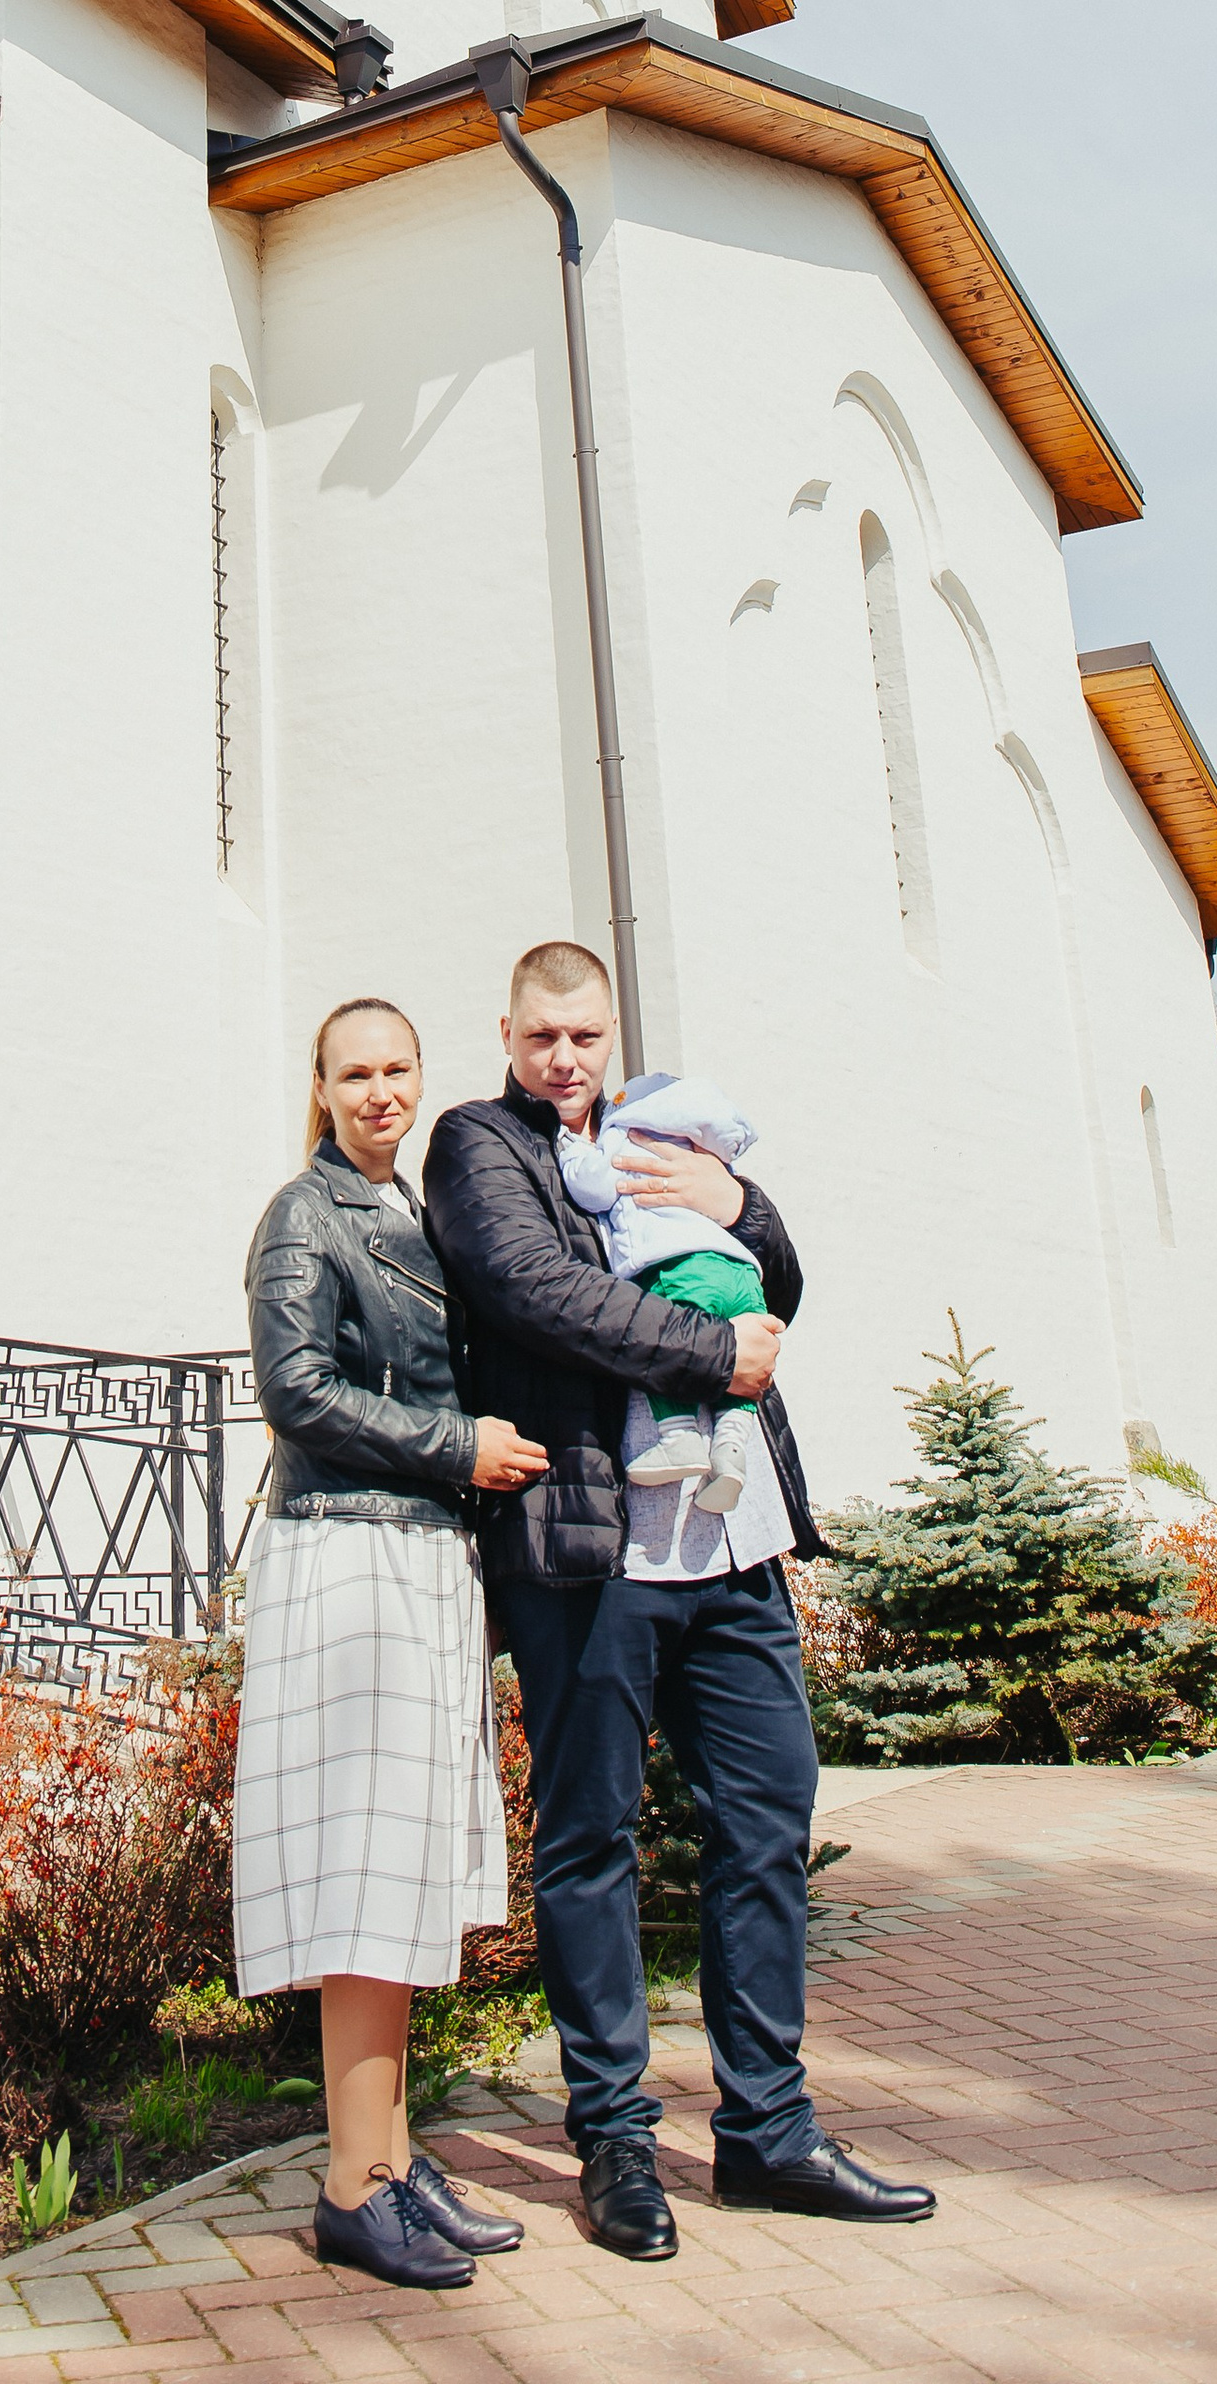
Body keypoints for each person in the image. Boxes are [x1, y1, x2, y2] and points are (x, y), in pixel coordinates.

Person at [425, 940, 937, 2259]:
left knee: (768, 1821)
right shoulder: (482, 1146)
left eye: (586, 1036)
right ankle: (615, 2144)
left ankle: (768, 2132)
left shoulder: (663, 1136)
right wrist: (717, 1351)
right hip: (592, 1556)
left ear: (611, 1032)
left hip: (737, 1547)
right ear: (509, 1033)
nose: (567, 1059)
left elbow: (780, 1289)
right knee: (590, 1843)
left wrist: (741, 1200)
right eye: (544, 1037)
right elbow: (537, 1297)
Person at [233, 999, 550, 2291]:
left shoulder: (406, 1212)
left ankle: (396, 2156)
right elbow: (295, 1390)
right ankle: (352, 2187)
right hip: (349, 1553)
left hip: (417, 1555)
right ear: (318, 1084)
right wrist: (458, 1446)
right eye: (354, 1073)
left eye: (397, 1069)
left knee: (407, 1866)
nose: (379, 1091)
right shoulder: (304, 1218)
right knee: (366, 1866)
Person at [555, 1071, 769, 1507]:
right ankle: (730, 1451)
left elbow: (594, 1188)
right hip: (744, 1274)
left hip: (683, 1268)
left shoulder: (629, 1133)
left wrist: (570, 1152)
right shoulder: (702, 1150)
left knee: (661, 1334)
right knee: (743, 1373)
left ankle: (679, 1438)